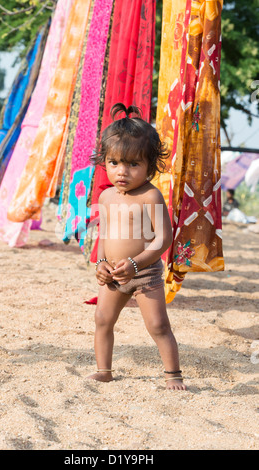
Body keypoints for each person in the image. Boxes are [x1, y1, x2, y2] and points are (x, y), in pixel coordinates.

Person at [87, 103, 186, 390]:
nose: (122, 172)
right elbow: (105, 234)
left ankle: (173, 375)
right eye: (115, 163)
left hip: (144, 273)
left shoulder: (150, 196)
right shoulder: (106, 198)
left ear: (150, 165)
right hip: (114, 274)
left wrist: (135, 264)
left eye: (133, 164)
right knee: (102, 318)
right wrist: (101, 263)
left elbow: (163, 239)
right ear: (104, 161)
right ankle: (104, 370)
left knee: (157, 325)